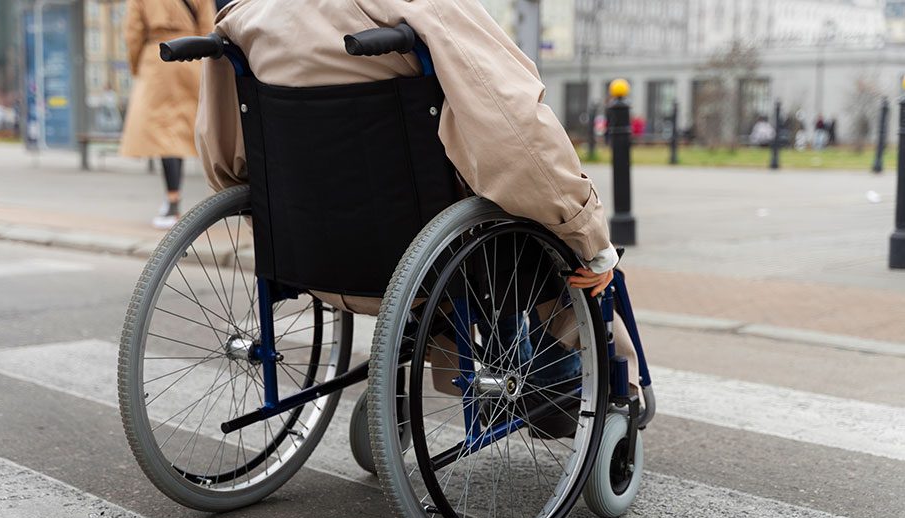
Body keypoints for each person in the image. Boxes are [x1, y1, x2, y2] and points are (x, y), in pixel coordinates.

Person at [196, 0, 641, 394]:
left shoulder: (245, 18)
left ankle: (448, 350)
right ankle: (565, 378)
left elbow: (225, 162)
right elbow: (514, 134)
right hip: (438, 264)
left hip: (310, 258)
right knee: (547, 231)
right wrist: (587, 235)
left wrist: (274, 219)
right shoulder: (424, 7)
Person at [120, 0, 215, 229]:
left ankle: (172, 201)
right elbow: (209, 27)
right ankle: (223, 197)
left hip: (158, 57)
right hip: (192, 55)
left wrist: (136, 65)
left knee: (165, 133)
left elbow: (133, 32)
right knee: (197, 126)